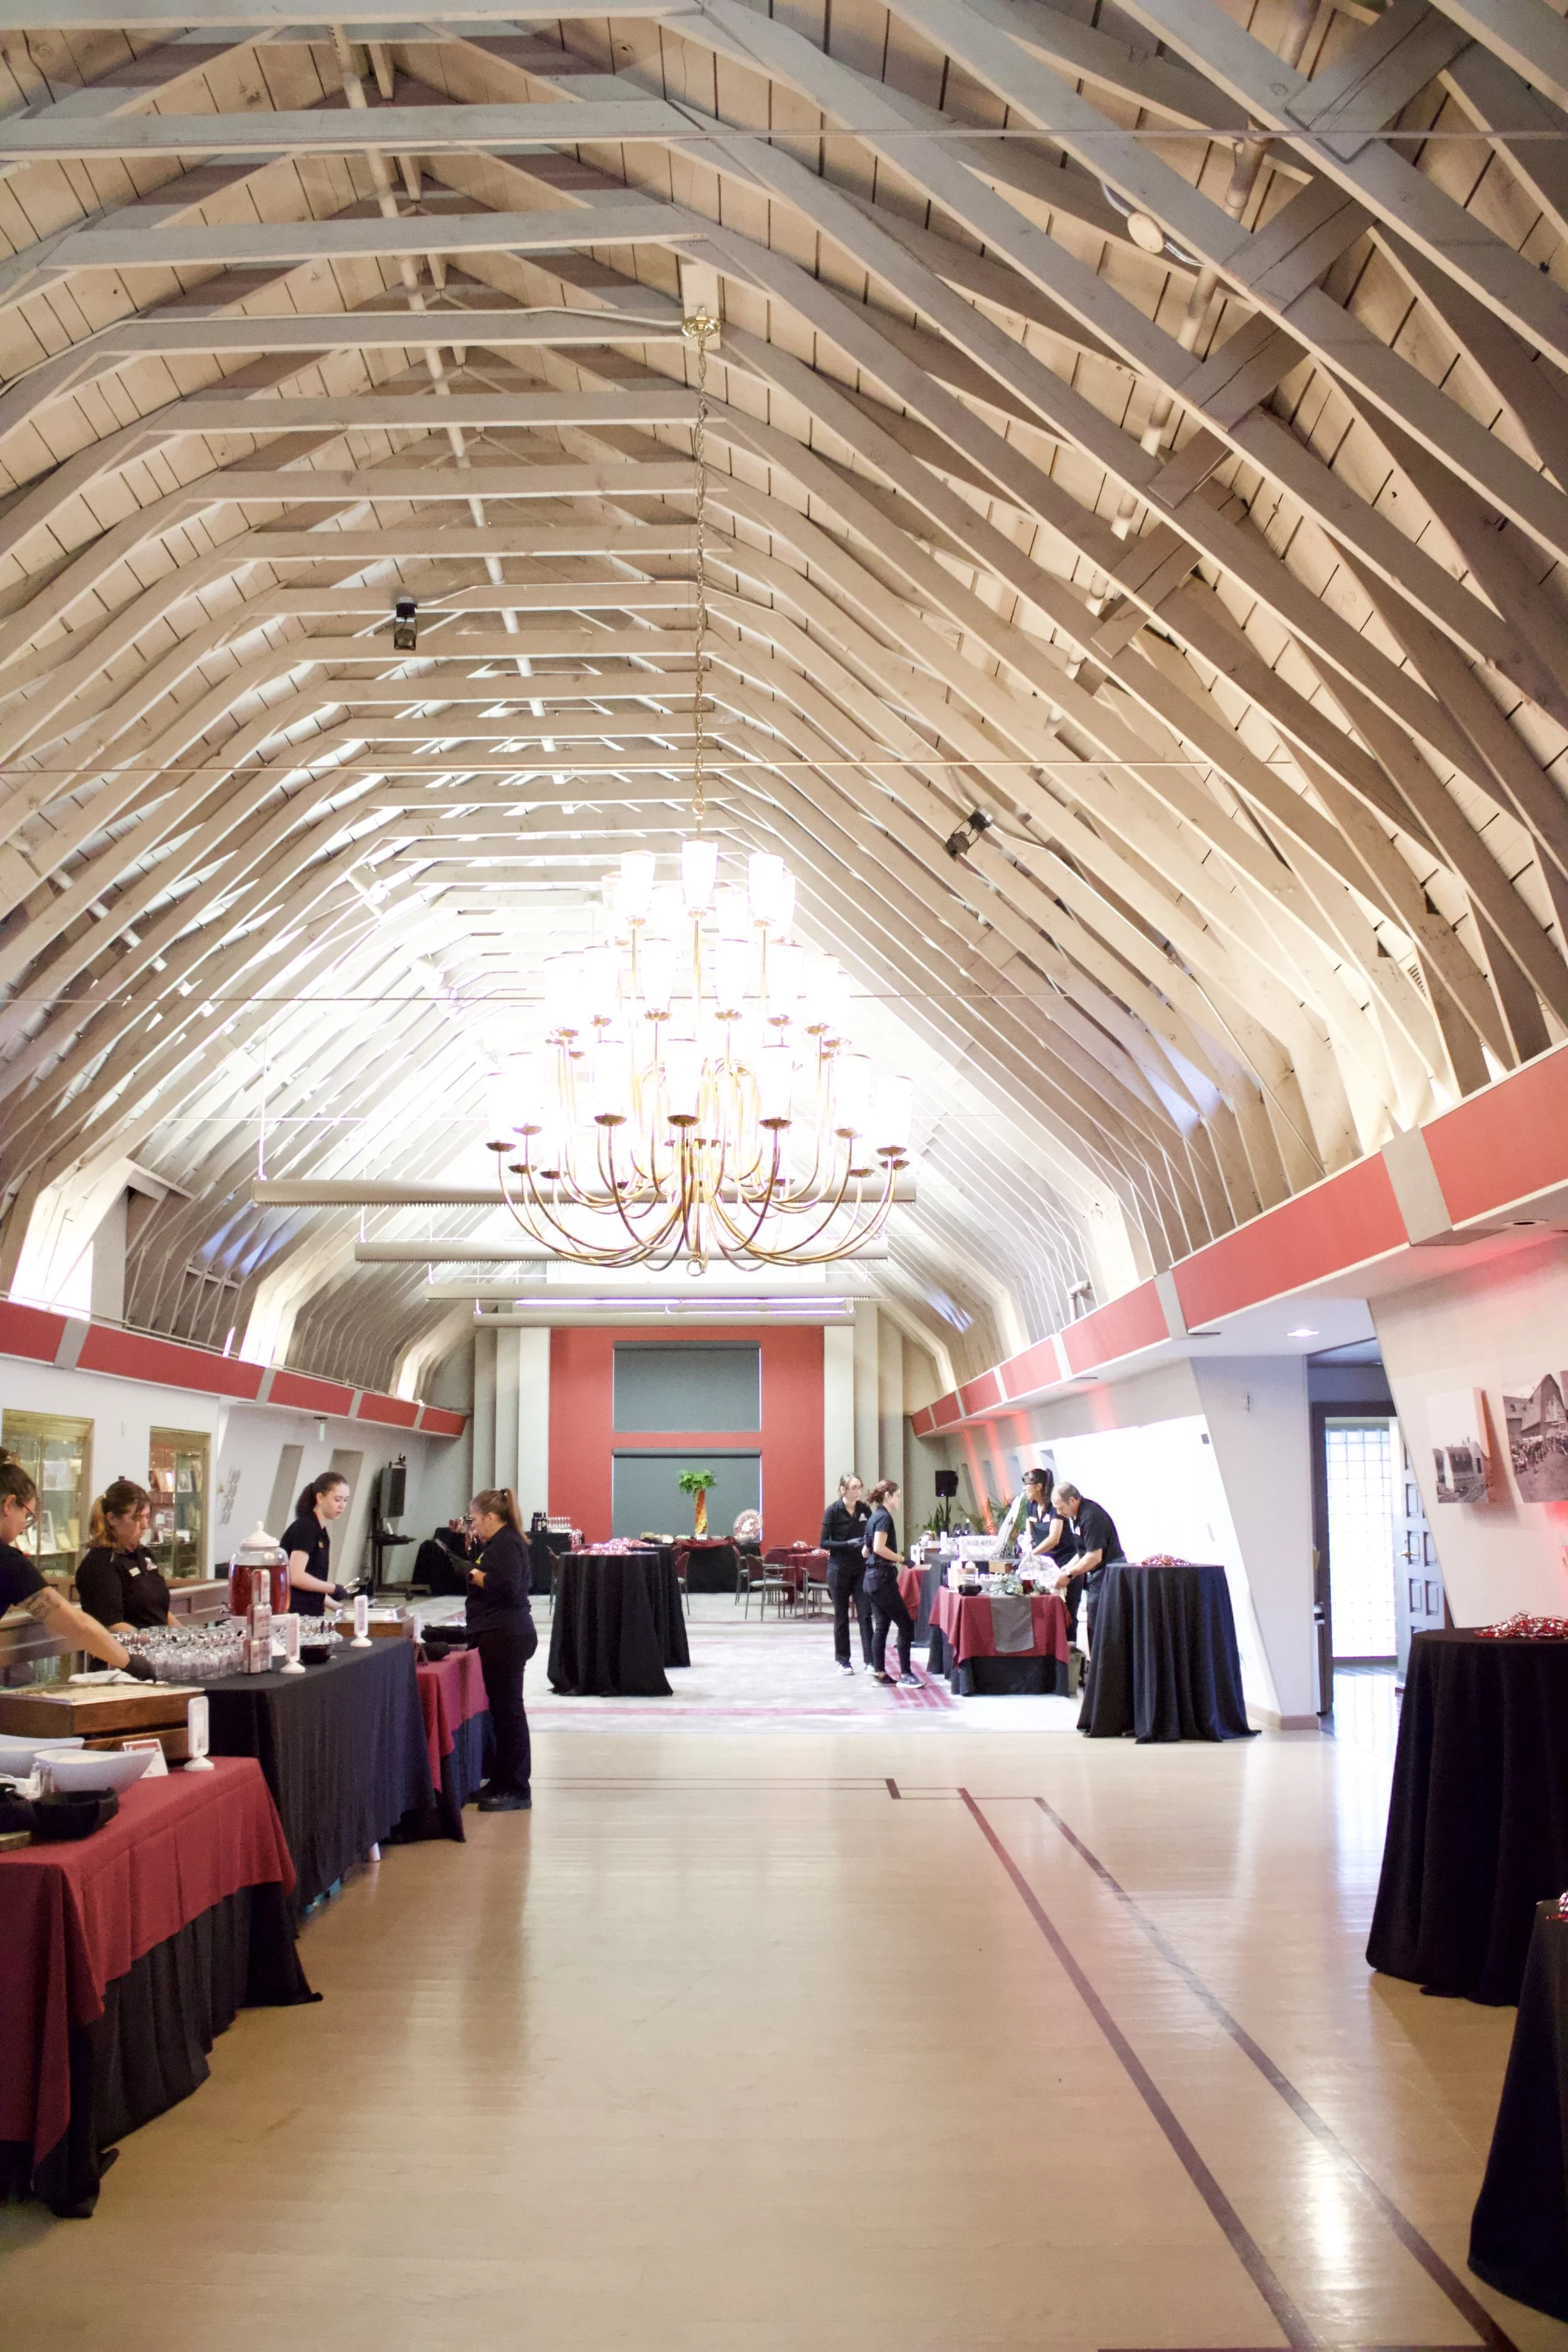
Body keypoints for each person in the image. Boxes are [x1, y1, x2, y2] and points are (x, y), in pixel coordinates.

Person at [0, 1452, 156, 1675]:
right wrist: (130, 1662)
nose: (23, 1527)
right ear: (9, 1505)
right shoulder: (8, 1562)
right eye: (27, 1516)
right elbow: (76, 1625)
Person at [465, 1487, 538, 1812]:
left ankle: (517, 1788)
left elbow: (508, 1588)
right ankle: (500, 1780)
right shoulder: (501, 1543)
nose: (473, 1525)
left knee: (509, 1713)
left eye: (475, 1519)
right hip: (498, 1633)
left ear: (491, 1517)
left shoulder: (506, 1544)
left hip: (506, 1635)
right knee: (500, 1713)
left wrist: (475, 1575)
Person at [76, 1478, 172, 1632]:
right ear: (112, 1519)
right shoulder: (101, 1563)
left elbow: (159, 1612)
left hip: (156, 1647)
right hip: (125, 1652)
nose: (145, 1525)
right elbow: (111, 1625)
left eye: (147, 1517)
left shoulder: (143, 1554)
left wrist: (186, 1637)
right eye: (137, 1518)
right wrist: (155, 1642)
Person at [1050, 1485, 1125, 1649]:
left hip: (1108, 1573)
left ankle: (1102, 1668)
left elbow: (1094, 1557)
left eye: (1061, 1508)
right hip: (1098, 1574)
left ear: (1072, 1500)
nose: (1059, 1513)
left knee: (1100, 1624)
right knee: (1094, 1622)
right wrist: (1065, 1569)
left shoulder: (1090, 1517)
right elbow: (1083, 1552)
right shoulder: (1076, 1516)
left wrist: (1069, 1575)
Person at [862, 1478, 919, 1688]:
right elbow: (878, 1548)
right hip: (882, 1579)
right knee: (905, 1624)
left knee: (882, 1626)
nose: (899, 1499)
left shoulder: (873, 1517)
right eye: (897, 1495)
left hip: (871, 1579)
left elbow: (865, 1550)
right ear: (888, 1496)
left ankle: (879, 1674)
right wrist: (903, 1559)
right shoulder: (884, 1518)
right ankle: (906, 1674)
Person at [281, 1471, 354, 1619]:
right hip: (295, 1615)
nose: (342, 1506)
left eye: (345, 1500)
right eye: (337, 1500)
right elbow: (296, 1577)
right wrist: (333, 1588)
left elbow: (312, 1584)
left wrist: (339, 1608)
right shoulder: (306, 1528)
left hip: (311, 1614)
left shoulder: (321, 1531)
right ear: (320, 1498)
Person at [820, 1472, 872, 1674]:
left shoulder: (864, 1510)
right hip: (839, 1569)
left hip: (861, 1569)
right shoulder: (833, 1511)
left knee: (866, 1615)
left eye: (860, 1487)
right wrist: (847, 1545)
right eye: (854, 1487)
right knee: (841, 1616)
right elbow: (824, 1542)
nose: (858, 1491)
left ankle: (871, 1661)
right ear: (843, 1490)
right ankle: (844, 1661)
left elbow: (871, 1532)